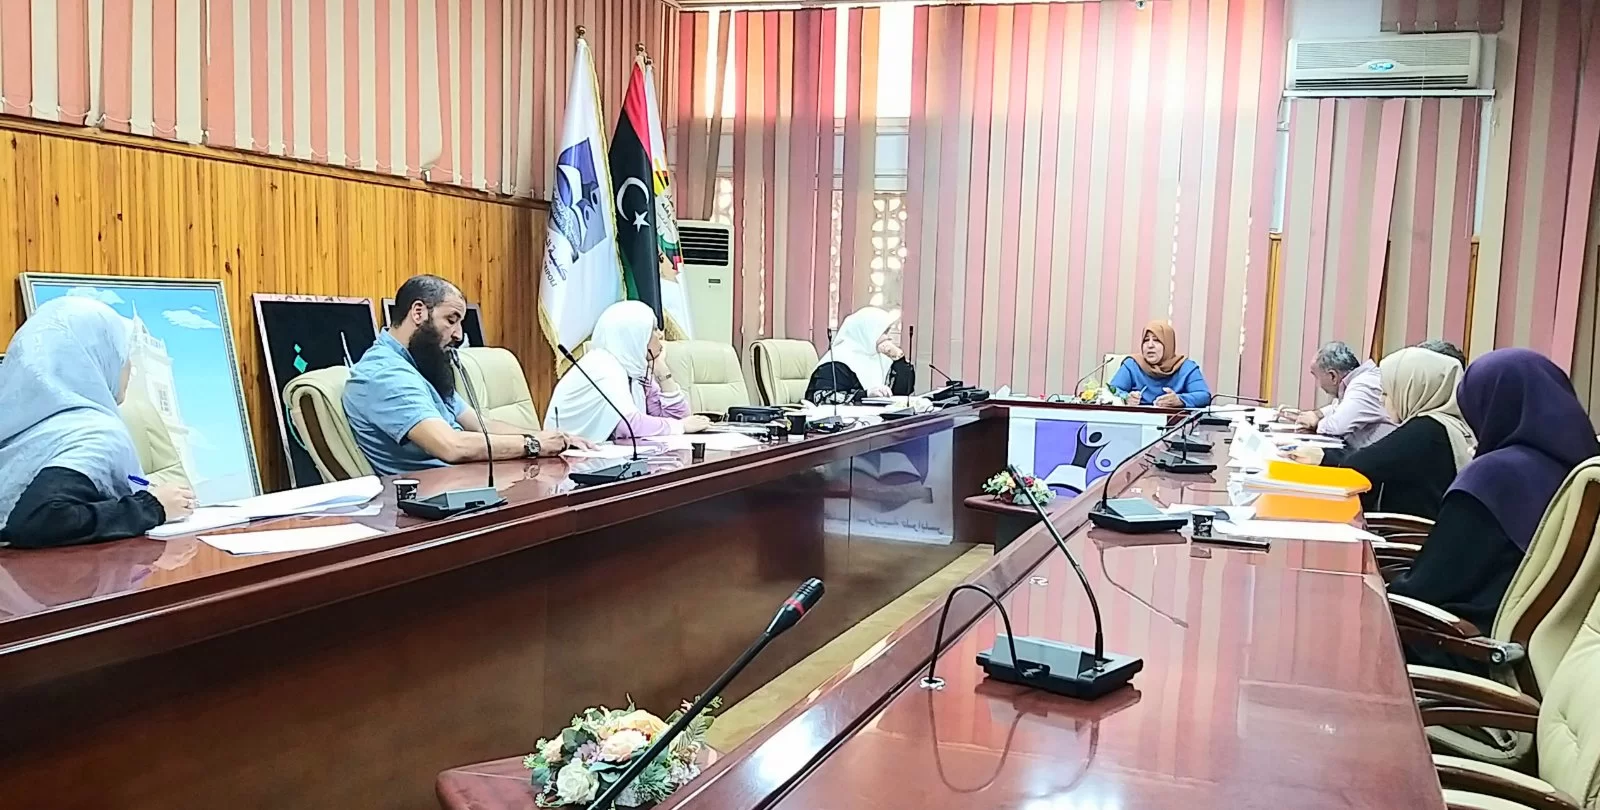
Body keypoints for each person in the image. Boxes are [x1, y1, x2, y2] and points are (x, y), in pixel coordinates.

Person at [1388, 349, 1600, 673]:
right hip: (1546, 658)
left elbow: (1427, 588)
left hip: (1463, 646)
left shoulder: (1493, 477)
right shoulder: (1580, 468)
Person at [0, 297, 196, 549]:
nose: (130, 367)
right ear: (94, 359)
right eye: (122, 355)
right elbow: (38, 520)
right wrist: (152, 507)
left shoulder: (19, 425)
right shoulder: (95, 433)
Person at [344, 275, 588, 475]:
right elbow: (451, 446)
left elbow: (482, 425)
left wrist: (554, 439)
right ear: (418, 313)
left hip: (467, 484)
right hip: (435, 503)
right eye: (451, 320)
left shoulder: (421, 364)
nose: (459, 335)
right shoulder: (385, 374)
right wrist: (535, 445)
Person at [1288, 347, 1474, 520]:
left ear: (1411, 389)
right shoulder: (1449, 423)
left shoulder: (1425, 430)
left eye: (1387, 392)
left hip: (1405, 536)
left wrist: (1323, 456)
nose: (1382, 399)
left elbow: (1359, 465)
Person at [545, 300, 711, 444]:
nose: (661, 334)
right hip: (566, 460)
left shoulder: (634, 369)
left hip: (605, 456)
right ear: (635, 337)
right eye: (653, 329)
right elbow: (627, 425)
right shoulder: (603, 366)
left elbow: (678, 419)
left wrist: (663, 373)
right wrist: (680, 426)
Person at [1287, 341, 1396, 450]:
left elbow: (1336, 427)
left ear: (1332, 376)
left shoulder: (1363, 385)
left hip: (1379, 457)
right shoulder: (1358, 382)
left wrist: (1315, 422)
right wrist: (1316, 414)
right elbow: (1339, 408)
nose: (1318, 385)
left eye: (1316, 377)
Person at [806, 306, 914, 403]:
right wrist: (865, 395)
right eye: (884, 332)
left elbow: (903, 392)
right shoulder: (837, 361)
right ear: (867, 332)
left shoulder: (881, 359)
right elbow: (822, 398)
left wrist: (899, 358)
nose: (888, 337)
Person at [1107, 321, 1212, 408]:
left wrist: (1180, 400)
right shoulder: (1132, 365)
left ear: (1168, 344)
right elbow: (1112, 391)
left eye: (1157, 340)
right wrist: (1125, 397)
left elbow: (1204, 396)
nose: (1150, 345)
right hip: (1137, 421)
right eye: (1146, 340)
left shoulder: (1186, 367)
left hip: (1174, 423)